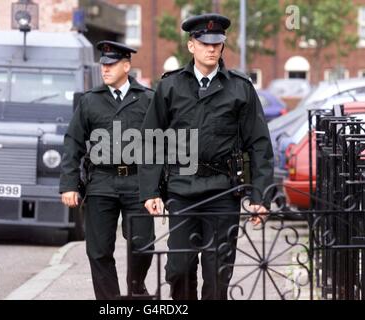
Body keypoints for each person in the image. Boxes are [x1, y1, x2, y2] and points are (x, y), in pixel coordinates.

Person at [139, 13, 274, 300]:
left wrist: (261, 197)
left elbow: (259, 145)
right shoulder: (170, 87)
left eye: (217, 43)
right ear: (191, 46)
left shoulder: (240, 88)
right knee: (179, 268)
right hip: (182, 190)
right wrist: (150, 190)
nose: (212, 49)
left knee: (217, 272)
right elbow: (152, 139)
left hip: (223, 192)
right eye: (204, 43)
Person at [60, 41, 155, 300]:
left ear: (127, 65)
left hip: (138, 181)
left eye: (111, 64)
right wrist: (69, 184)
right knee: (99, 250)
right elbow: (73, 142)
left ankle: (136, 287)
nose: (105, 69)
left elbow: (163, 144)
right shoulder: (91, 101)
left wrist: (159, 188)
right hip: (102, 180)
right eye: (103, 64)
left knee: (143, 245)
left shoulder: (148, 99)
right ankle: (111, 303)